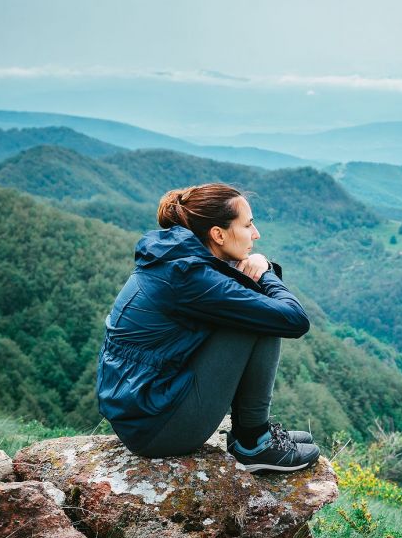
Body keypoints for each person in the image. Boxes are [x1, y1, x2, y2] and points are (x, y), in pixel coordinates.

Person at [95, 182, 320, 472]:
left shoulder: (177, 260)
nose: (256, 234)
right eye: (248, 225)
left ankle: (252, 434)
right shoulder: (189, 276)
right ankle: (254, 443)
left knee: (252, 309)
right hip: (156, 428)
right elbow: (293, 319)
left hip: (143, 409)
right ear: (218, 234)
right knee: (256, 318)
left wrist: (260, 269)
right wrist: (264, 273)